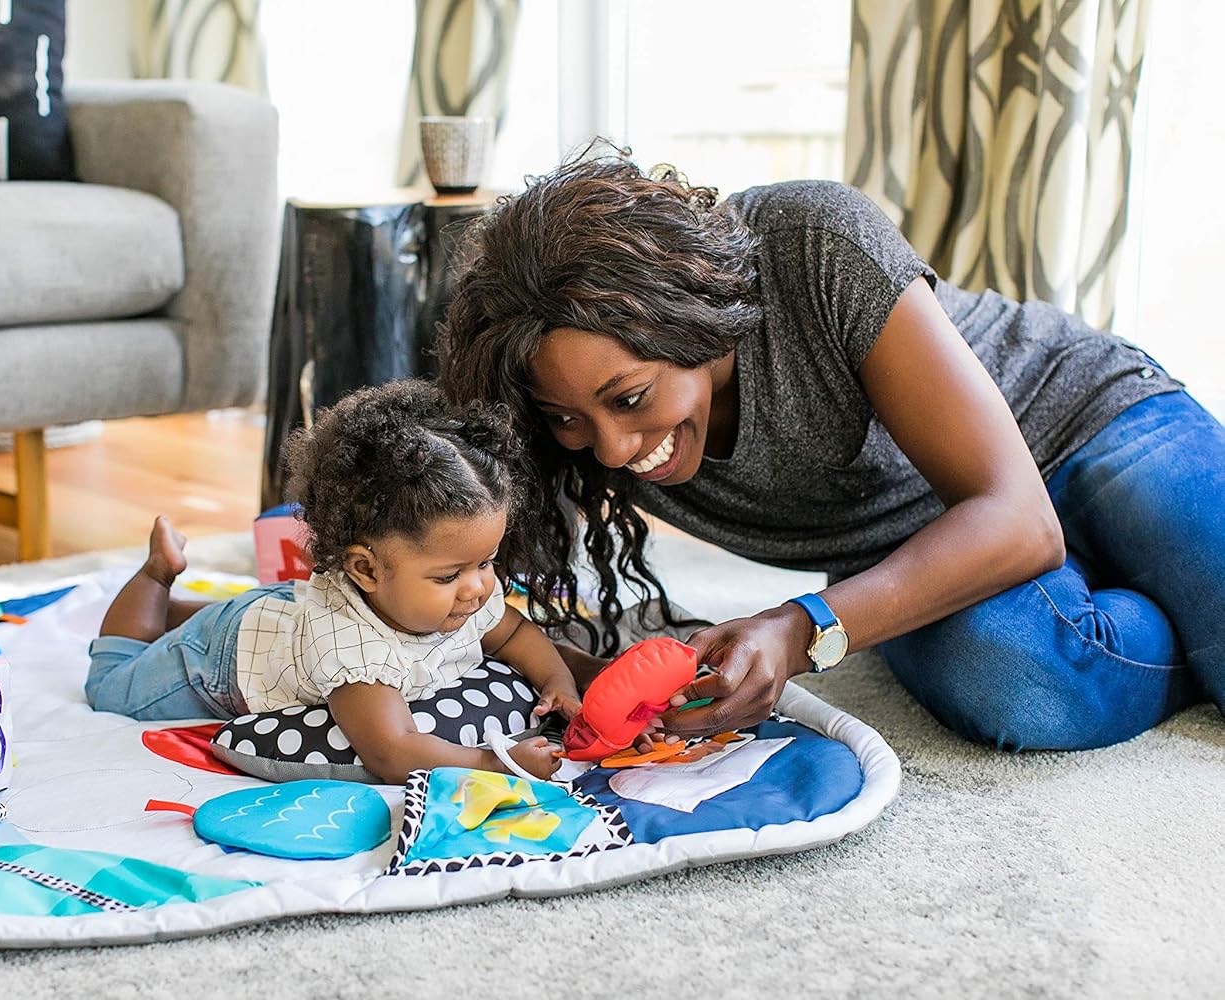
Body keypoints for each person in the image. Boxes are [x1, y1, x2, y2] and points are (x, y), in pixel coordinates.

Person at [436, 149, 1224, 752]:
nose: (609, 449)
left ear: (689, 319)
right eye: (567, 420)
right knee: (1017, 680)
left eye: (631, 398)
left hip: (1089, 420)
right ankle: (1175, 612)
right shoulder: (560, 411)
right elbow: (455, 566)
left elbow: (1018, 520)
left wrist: (802, 626)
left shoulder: (814, 243)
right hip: (911, 537)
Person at [85, 379, 580, 783]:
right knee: (111, 687)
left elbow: (514, 632)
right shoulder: (353, 651)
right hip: (218, 657)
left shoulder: (460, 594)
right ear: (365, 569)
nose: (476, 588)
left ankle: (180, 608)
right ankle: (157, 575)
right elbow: (392, 750)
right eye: (450, 575)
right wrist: (493, 762)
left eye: (486, 562)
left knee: (273, 612)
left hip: (287, 614)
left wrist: (556, 681)